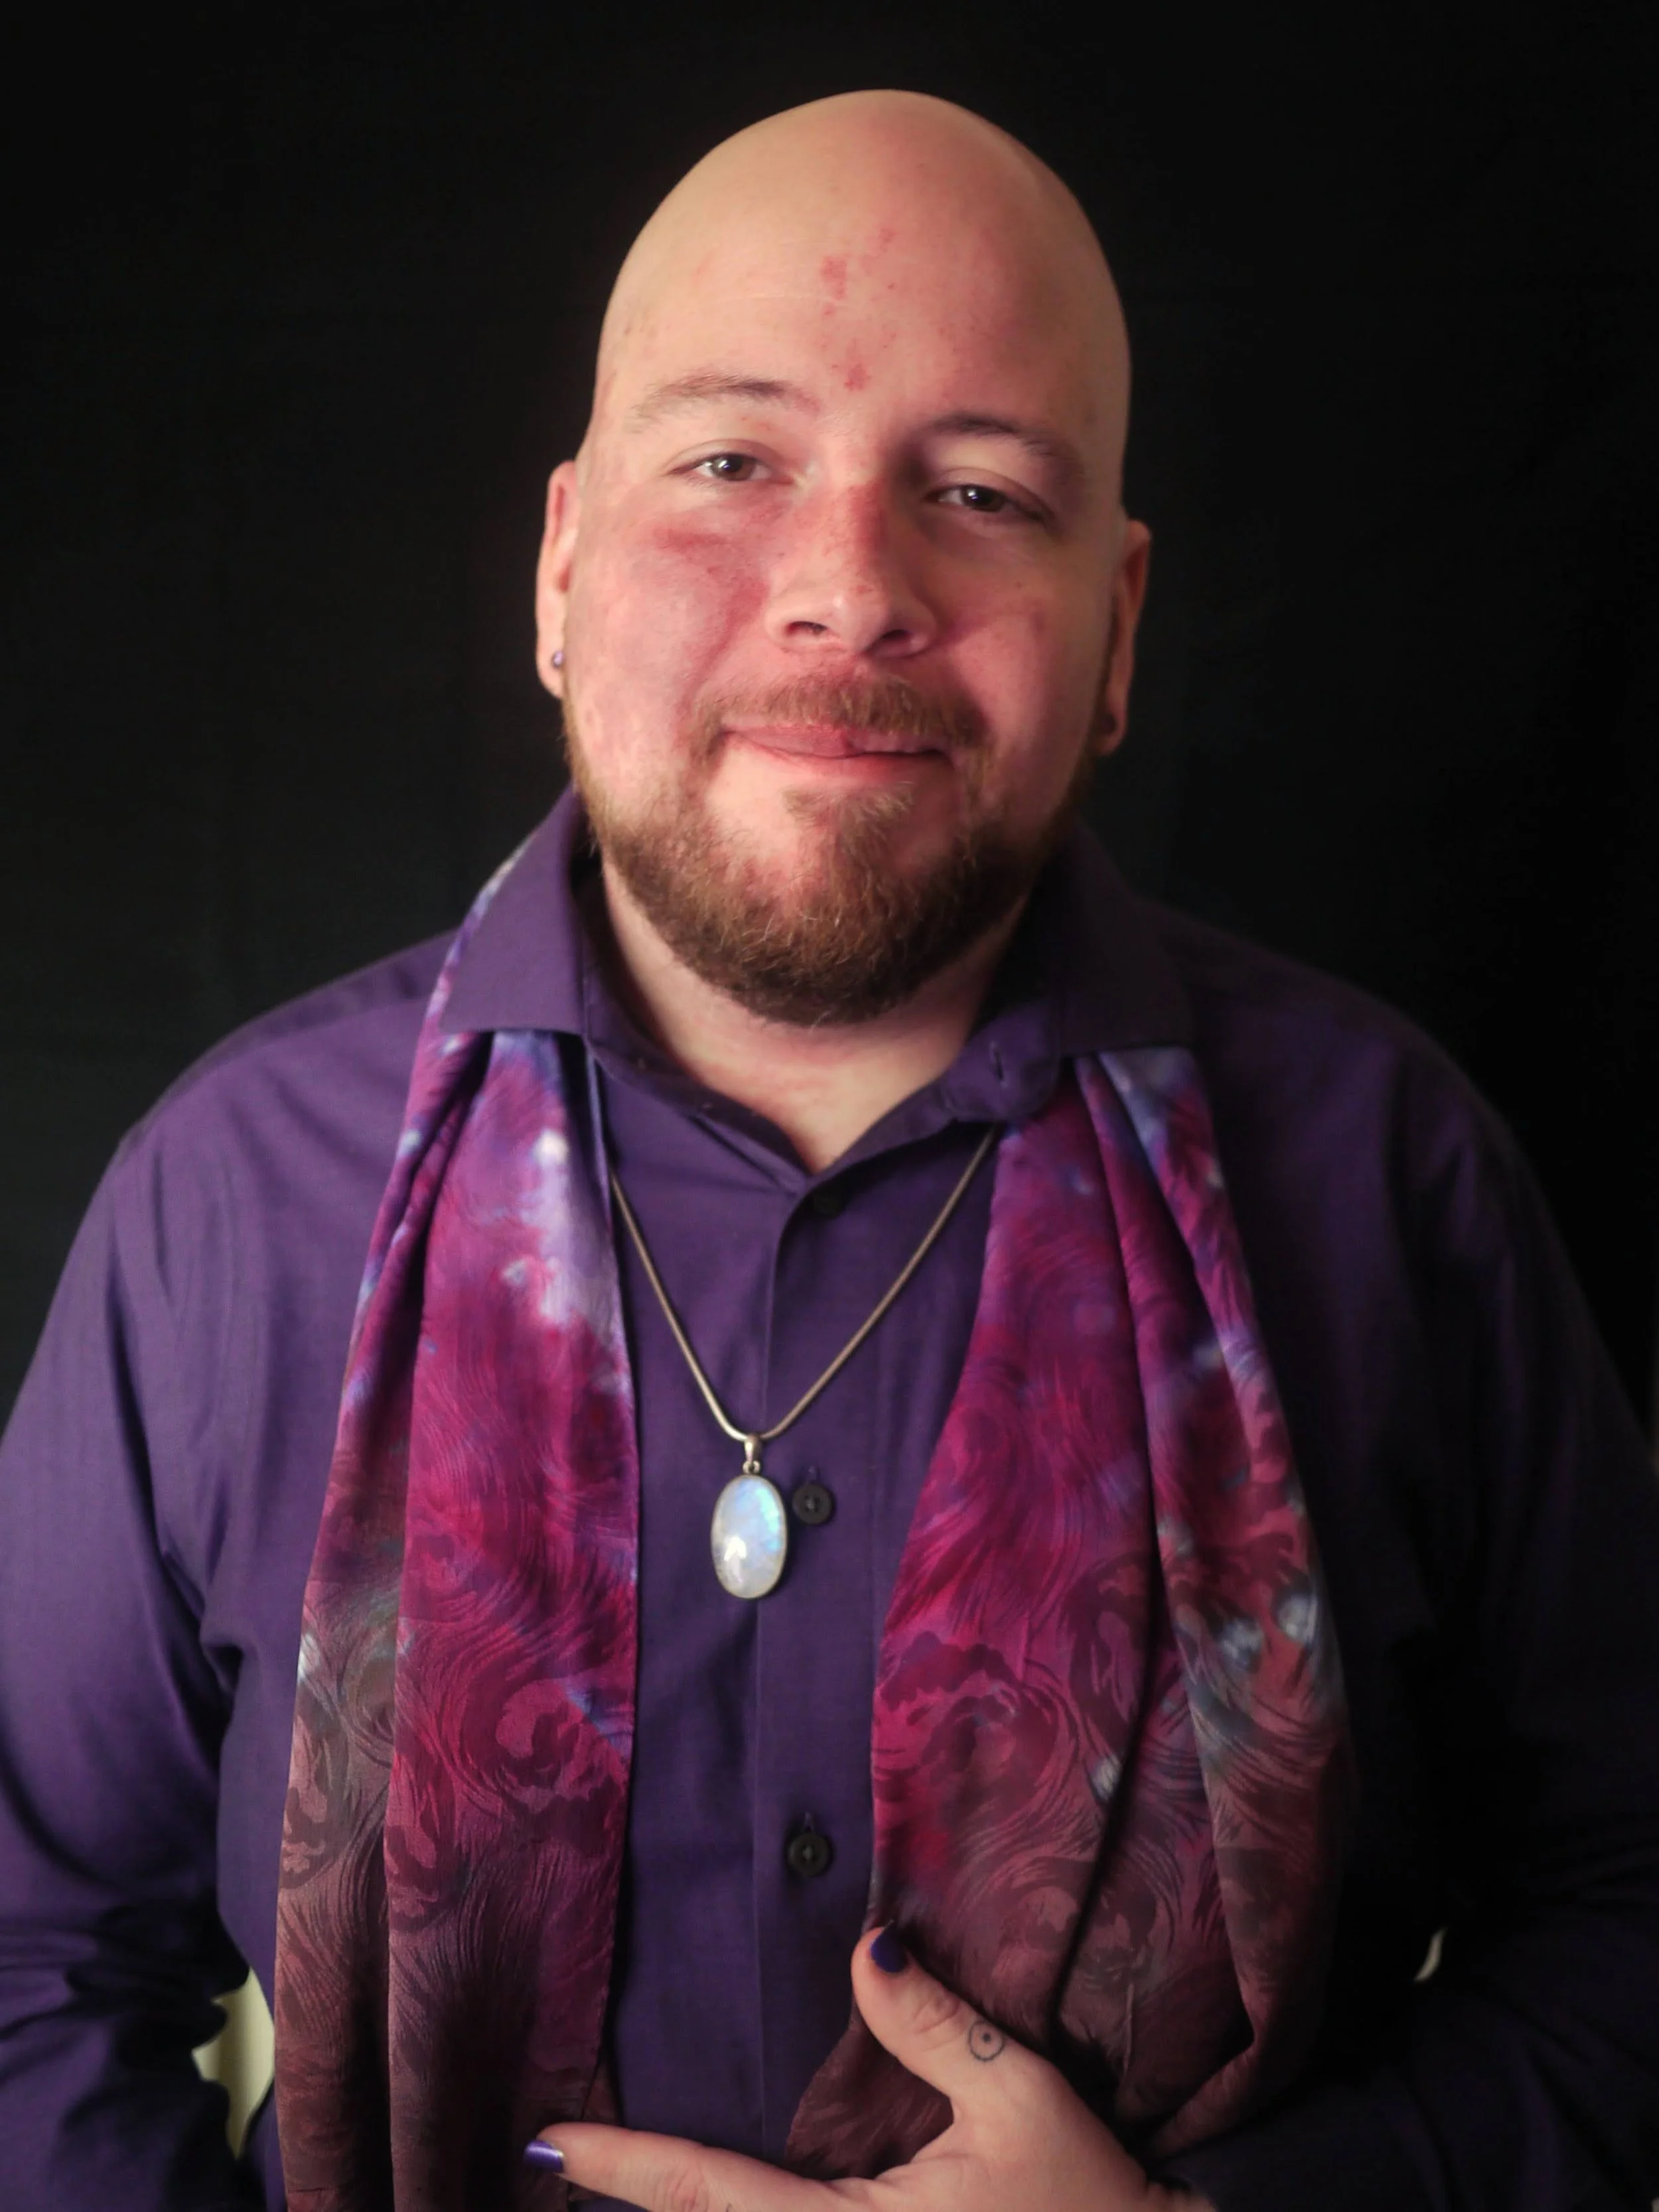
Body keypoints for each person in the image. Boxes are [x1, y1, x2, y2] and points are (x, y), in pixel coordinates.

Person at [1, 87, 1657, 2212]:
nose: (850, 590)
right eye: (729, 463)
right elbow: (31, 1968)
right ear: (562, 567)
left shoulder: (1382, 1180)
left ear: (1119, 625)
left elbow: (1627, 1904)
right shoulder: (229, 1201)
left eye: (979, 489)